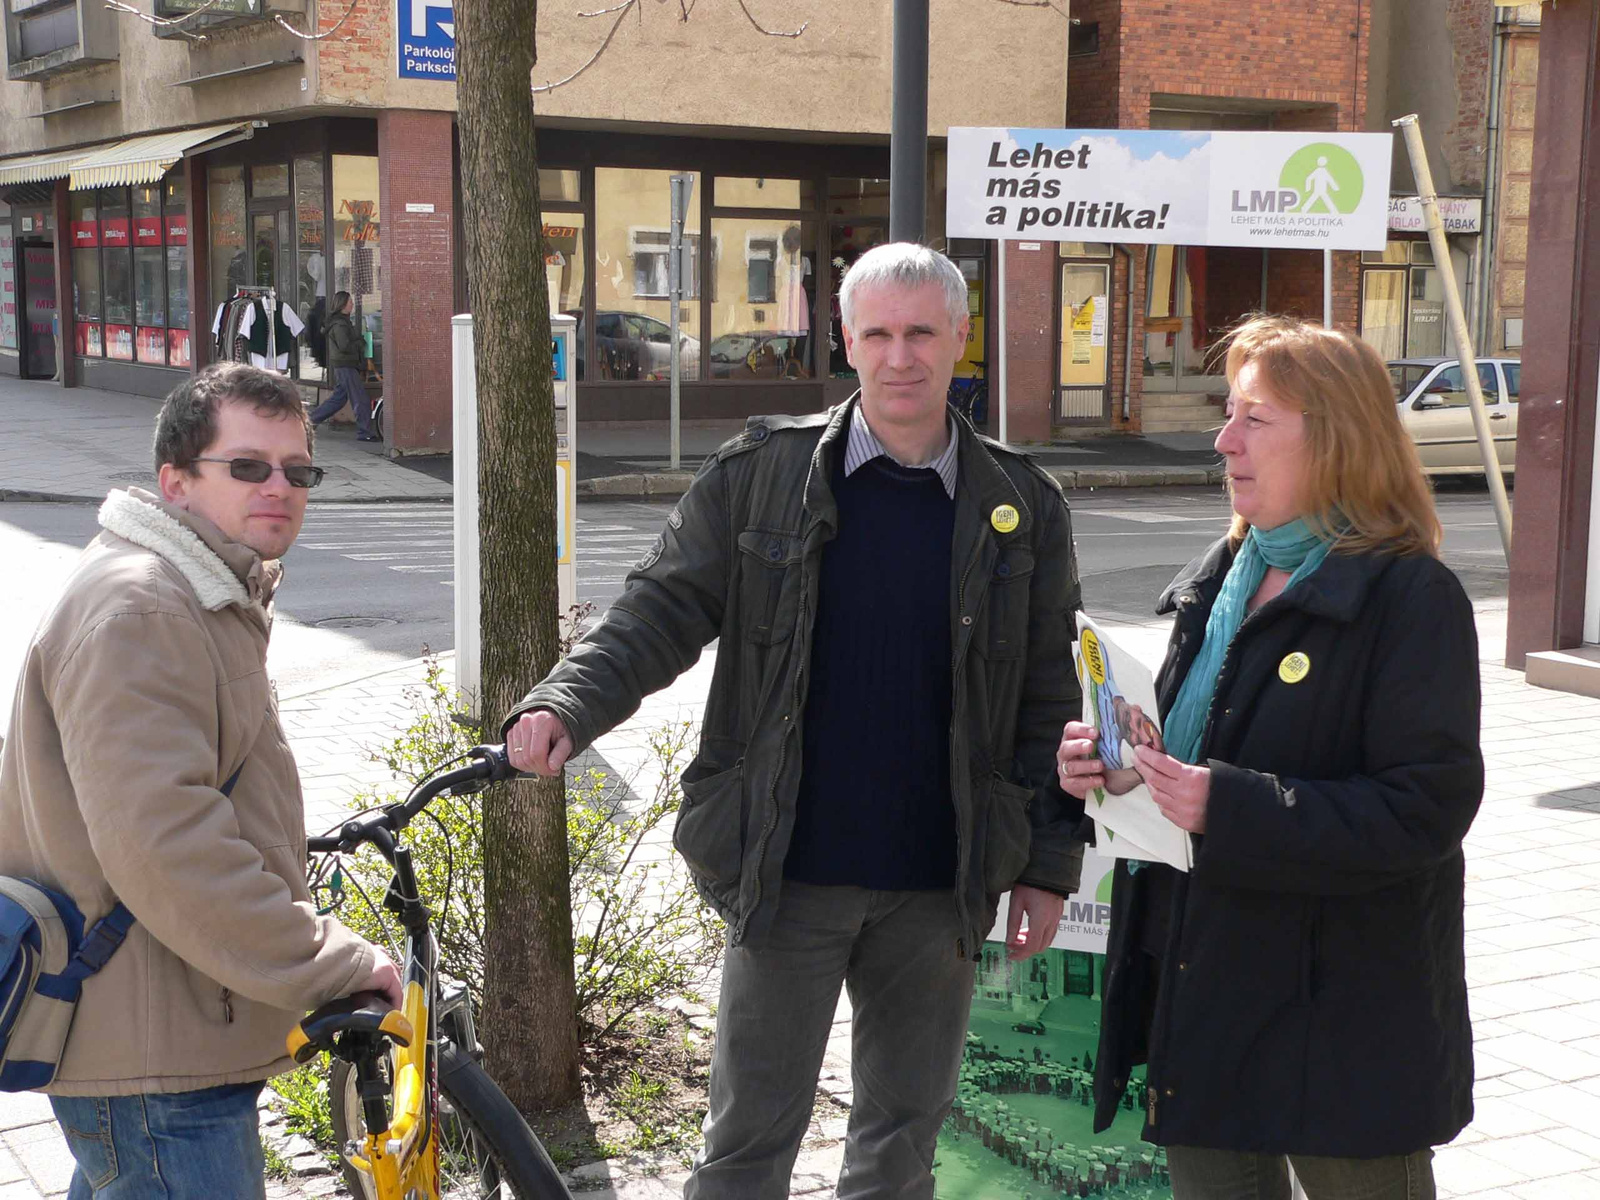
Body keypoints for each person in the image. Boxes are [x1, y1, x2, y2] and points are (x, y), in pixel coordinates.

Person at [505, 242, 1087, 1199]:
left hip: (940, 886)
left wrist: (1046, 864)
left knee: (900, 1145)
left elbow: (1048, 699)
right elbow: (657, 611)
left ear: (960, 340)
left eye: (922, 334)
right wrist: (568, 701)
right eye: (879, 335)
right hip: (787, 873)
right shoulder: (762, 473)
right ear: (846, 342)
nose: (901, 357)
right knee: (745, 1150)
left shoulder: (1022, 501)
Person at [1055, 315, 1481, 1199]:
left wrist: (1228, 803)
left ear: (1334, 440)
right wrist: (1124, 768)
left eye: (1253, 419)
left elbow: (1424, 812)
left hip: (1341, 1021)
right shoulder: (1227, 569)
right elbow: (1200, 751)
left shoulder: (1411, 598)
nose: (1221, 441)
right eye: (1227, 414)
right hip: (1206, 991)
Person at [0, 362, 401, 1198]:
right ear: (175, 481)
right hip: (156, 1054)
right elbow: (169, 846)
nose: (279, 488)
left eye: (298, 470)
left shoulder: (197, 591)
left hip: (159, 1029)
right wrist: (326, 961)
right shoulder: (145, 609)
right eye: (248, 466)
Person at [308, 289, 379, 442]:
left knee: (338, 400)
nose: (352, 304)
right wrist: (360, 342)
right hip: (345, 365)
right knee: (360, 399)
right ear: (343, 304)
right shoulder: (340, 324)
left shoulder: (341, 321)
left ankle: (308, 422)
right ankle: (365, 432)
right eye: (350, 302)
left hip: (343, 365)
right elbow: (344, 345)